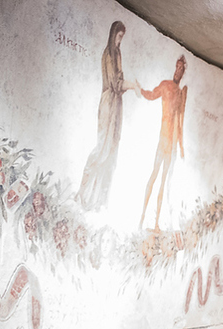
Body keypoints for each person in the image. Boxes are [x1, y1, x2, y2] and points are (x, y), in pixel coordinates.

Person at [77, 20, 140, 211]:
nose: (120, 41)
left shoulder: (117, 53)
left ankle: (97, 200)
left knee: (111, 152)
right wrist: (133, 85)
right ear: (113, 35)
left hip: (116, 105)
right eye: (119, 36)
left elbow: (119, 84)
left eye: (122, 37)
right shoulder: (109, 54)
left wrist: (129, 86)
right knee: (102, 148)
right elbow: (115, 83)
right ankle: (82, 191)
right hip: (108, 104)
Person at [139, 55, 189, 230]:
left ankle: (156, 223)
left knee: (163, 181)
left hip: (172, 143)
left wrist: (181, 146)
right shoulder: (166, 85)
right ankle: (142, 218)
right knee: (153, 175)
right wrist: (138, 88)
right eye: (177, 67)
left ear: (184, 72)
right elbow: (151, 95)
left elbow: (180, 121)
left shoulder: (182, 93)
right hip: (163, 138)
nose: (178, 70)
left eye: (181, 68)